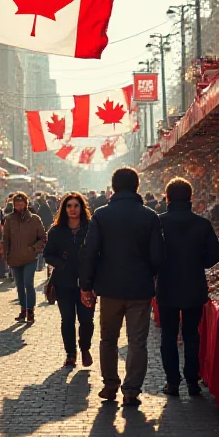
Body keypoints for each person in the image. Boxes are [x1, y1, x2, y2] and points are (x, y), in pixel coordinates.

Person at [79, 167, 164, 407]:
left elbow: (89, 253)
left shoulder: (101, 215)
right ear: (137, 186)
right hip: (140, 287)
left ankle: (110, 385)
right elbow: (158, 255)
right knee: (137, 341)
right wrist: (149, 273)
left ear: (113, 187)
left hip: (109, 288)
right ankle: (132, 390)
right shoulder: (149, 216)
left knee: (108, 339)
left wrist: (86, 285)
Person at [157, 177, 219, 396]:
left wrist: (160, 269)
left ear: (167, 198)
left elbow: (151, 254)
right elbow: (215, 254)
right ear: (190, 197)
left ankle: (173, 382)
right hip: (194, 286)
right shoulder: (202, 224)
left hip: (166, 286)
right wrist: (198, 264)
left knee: (168, 335)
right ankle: (193, 381)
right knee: (191, 334)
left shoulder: (159, 223)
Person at [44, 192, 94, 367]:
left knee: (86, 319)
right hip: (64, 282)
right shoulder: (56, 230)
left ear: (82, 208)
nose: (72, 209)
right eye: (69, 206)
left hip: (86, 282)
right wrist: (61, 263)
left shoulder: (90, 228)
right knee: (67, 319)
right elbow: (47, 254)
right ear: (64, 209)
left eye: (76, 206)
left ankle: (85, 347)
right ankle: (70, 354)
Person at [2, 192, 47, 323]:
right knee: (20, 285)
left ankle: (30, 310)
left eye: (21, 203)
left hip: (30, 258)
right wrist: (6, 254)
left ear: (26, 204)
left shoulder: (34, 219)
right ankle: (23, 310)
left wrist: (34, 248)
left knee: (28, 283)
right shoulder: (9, 219)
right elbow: (6, 238)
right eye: (16, 204)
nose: (19, 206)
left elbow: (43, 237)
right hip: (15, 257)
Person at [34, 193, 54, 271]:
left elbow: (39, 217)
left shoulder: (42, 207)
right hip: (45, 227)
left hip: (43, 228)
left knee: (41, 245)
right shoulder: (46, 206)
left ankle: (40, 265)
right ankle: (41, 264)